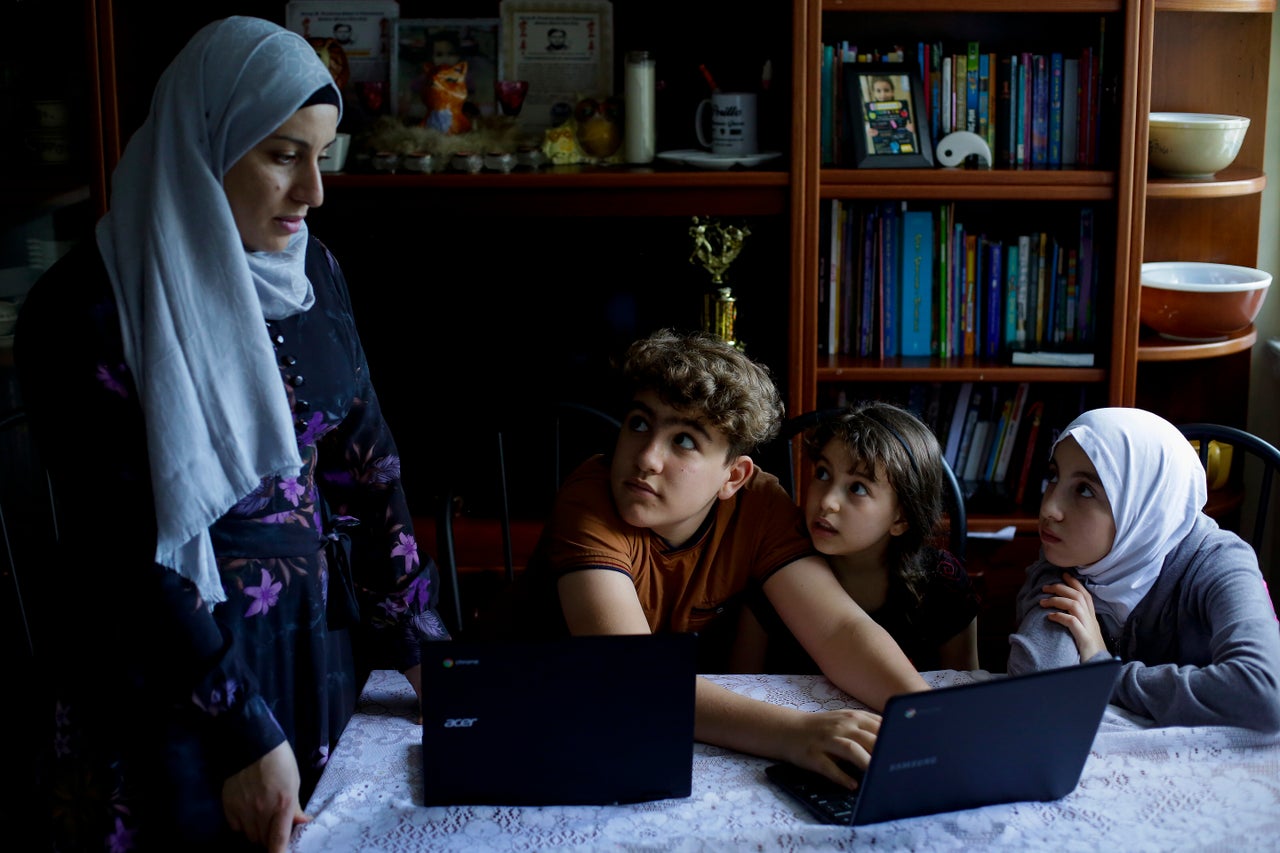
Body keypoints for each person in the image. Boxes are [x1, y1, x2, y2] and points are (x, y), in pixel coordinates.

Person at [14, 16, 449, 852]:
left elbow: (368, 469)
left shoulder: (313, 271)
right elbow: (124, 546)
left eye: (323, 155)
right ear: (201, 145)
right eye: (283, 155)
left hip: (304, 647)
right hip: (161, 670)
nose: (314, 191)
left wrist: (425, 652)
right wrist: (242, 730)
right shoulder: (84, 311)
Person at [514, 329, 929, 791]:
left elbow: (837, 628)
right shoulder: (589, 501)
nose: (646, 457)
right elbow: (633, 673)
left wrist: (924, 712)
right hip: (527, 717)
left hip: (659, 719)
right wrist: (795, 733)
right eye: (638, 423)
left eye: (685, 440)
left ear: (733, 475)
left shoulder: (759, 504)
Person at [1006, 407, 1280, 732]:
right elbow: (1036, 689)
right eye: (1054, 476)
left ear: (1141, 504)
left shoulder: (1220, 562)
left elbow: (1263, 693)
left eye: (1084, 490)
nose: (1049, 509)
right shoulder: (1064, 558)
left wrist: (1106, 672)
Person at [742, 402, 980, 674]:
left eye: (857, 488)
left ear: (901, 519)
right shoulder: (776, 568)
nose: (828, 501)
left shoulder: (943, 584)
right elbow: (742, 687)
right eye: (822, 473)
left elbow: (964, 689)